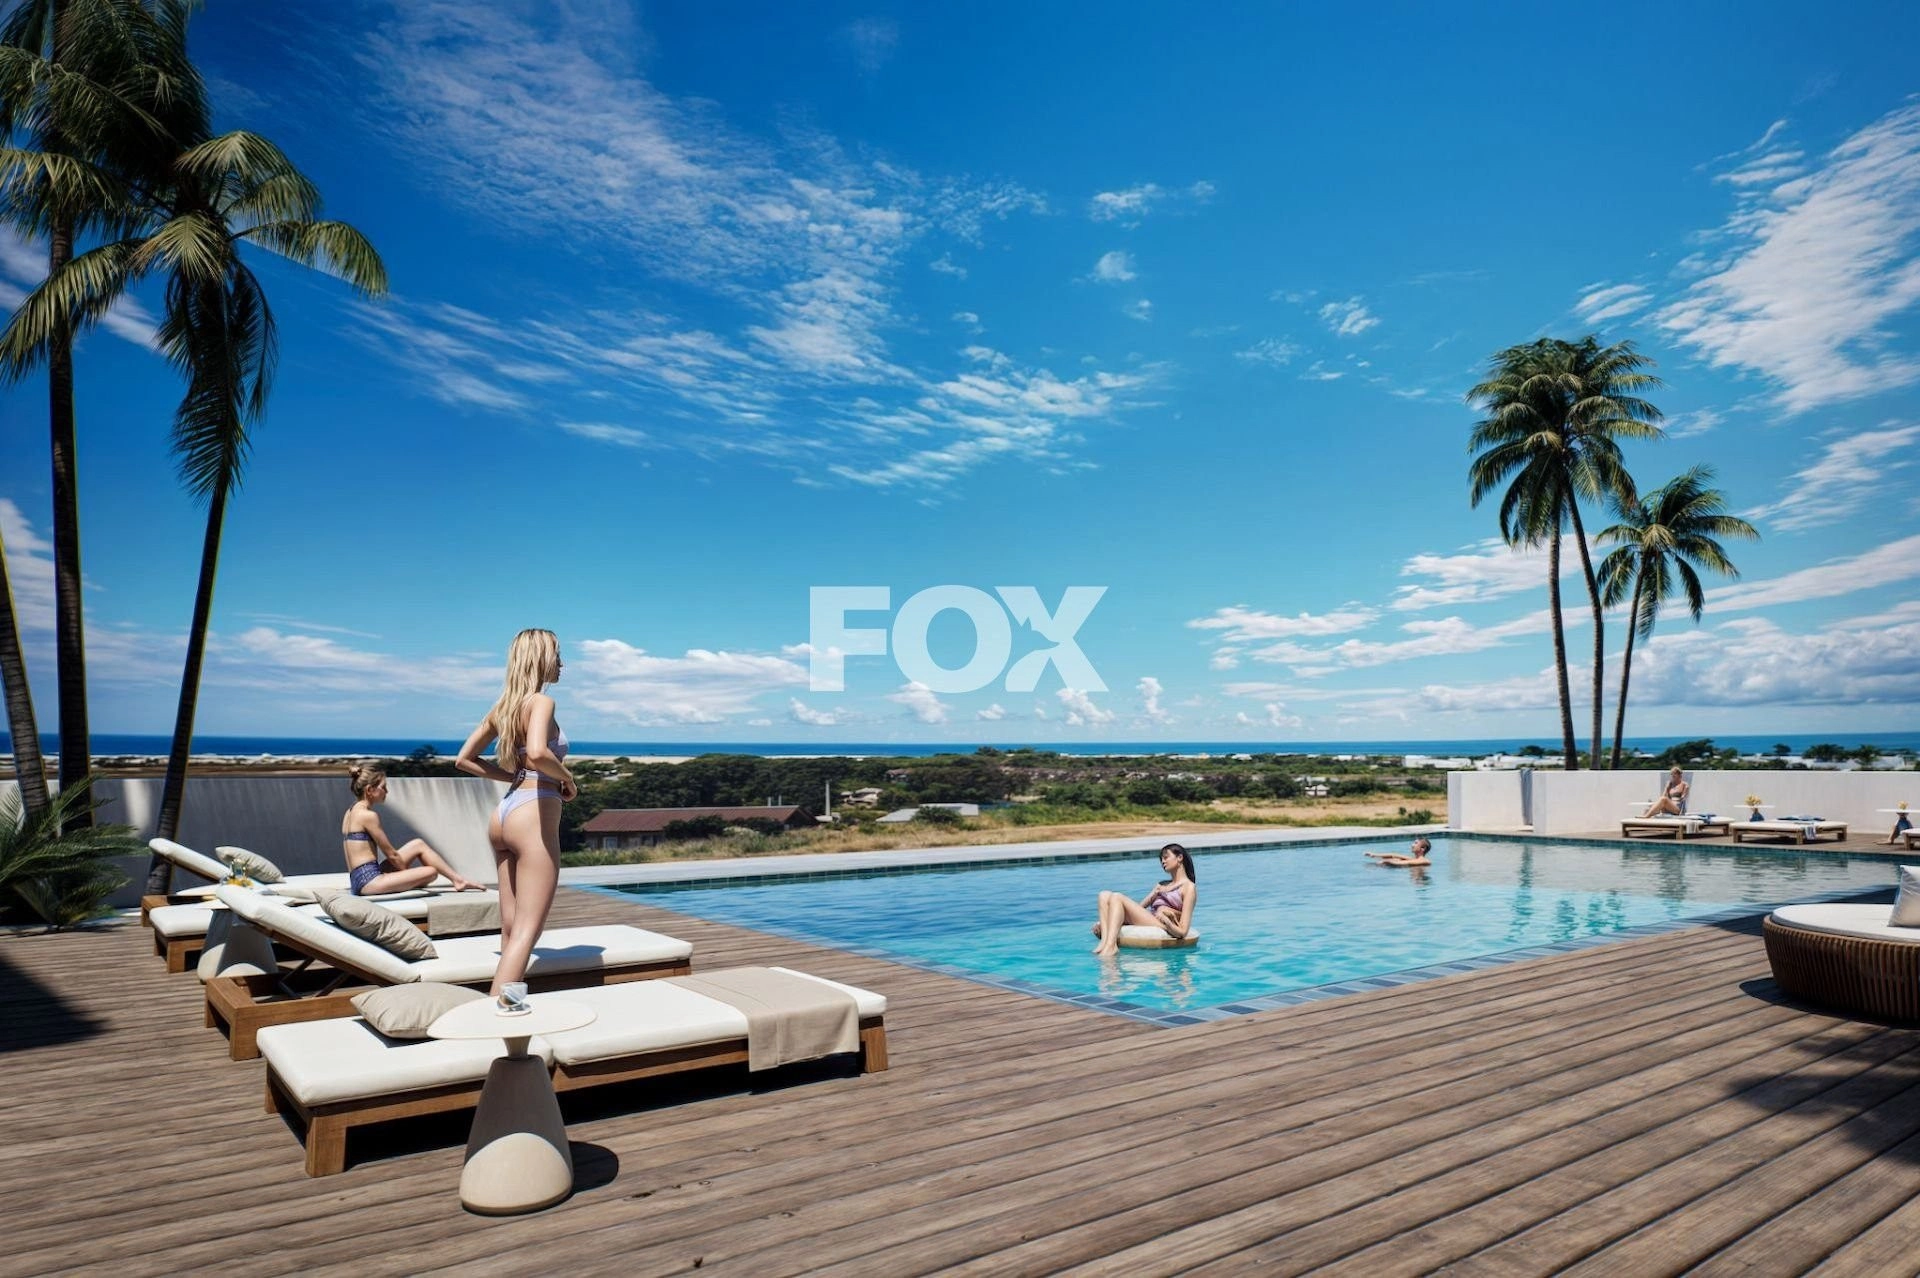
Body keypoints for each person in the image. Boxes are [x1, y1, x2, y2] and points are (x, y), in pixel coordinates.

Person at [456, 628, 576, 1015]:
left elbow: (464, 760)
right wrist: (567, 779)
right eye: (557, 654)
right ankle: (494, 1016)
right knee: (527, 931)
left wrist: (512, 776)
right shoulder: (541, 701)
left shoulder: (503, 707)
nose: (562, 663)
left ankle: (504, 1009)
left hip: (505, 812)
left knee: (511, 927)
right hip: (532, 815)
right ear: (541, 659)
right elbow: (539, 753)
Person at [340, 762, 484, 896]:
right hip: (369, 882)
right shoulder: (368, 816)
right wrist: (406, 876)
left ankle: (458, 880)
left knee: (418, 844)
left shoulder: (350, 812)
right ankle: (457, 880)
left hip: (358, 879)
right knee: (431, 872)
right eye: (383, 787)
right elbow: (392, 855)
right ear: (370, 790)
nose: (387, 791)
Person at [1092, 843, 1197, 957]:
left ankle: (1111, 946)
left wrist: (1167, 921)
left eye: (1166, 857)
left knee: (1117, 896)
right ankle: (1104, 942)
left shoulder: (1188, 887)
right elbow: (1139, 908)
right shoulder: (1161, 884)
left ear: (1180, 857)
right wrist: (1154, 894)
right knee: (1103, 895)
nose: (1163, 861)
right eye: (1161, 859)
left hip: (1162, 923)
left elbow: (1183, 930)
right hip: (1150, 917)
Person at [1367, 836, 1432, 868]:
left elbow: (1405, 863)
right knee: (1395, 859)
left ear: (1423, 848)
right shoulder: (1414, 859)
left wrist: (1386, 861)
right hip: (1414, 880)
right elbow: (1393, 855)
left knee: (1395, 861)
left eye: (1416, 843)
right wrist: (1375, 855)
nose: (1412, 845)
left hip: (1419, 883)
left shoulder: (1425, 861)